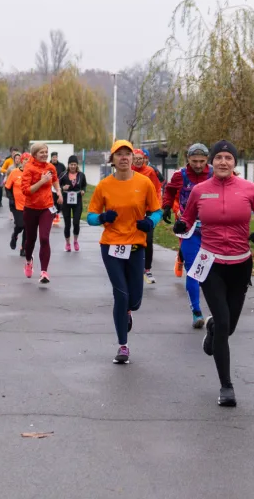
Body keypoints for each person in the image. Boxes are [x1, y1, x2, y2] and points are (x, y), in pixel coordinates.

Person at [174, 140, 254, 407]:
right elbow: (188, 218)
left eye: (228, 158)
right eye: (219, 158)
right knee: (225, 320)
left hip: (241, 264)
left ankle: (214, 329)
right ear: (211, 162)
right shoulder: (200, 190)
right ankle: (226, 386)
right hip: (211, 263)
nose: (223, 162)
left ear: (234, 162)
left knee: (228, 327)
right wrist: (180, 225)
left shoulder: (248, 189)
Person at [87, 139, 162, 364]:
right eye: (118, 154)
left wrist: (151, 222)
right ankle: (123, 346)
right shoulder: (104, 186)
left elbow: (156, 211)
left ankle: (128, 311)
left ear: (133, 158)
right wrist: (101, 218)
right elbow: (90, 216)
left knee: (135, 300)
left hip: (136, 246)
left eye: (127, 154)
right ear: (112, 160)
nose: (123, 158)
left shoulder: (144, 182)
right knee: (120, 294)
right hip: (111, 245)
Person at [162, 143, 213, 328]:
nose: (198, 165)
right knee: (194, 271)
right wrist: (167, 206)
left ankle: (217, 310)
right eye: (194, 161)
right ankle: (196, 312)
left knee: (212, 272)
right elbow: (168, 190)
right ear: (188, 159)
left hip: (212, 229)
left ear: (207, 160)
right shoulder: (180, 175)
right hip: (189, 229)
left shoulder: (215, 174)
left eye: (202, 161)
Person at [21, 143, 63, 284]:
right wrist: (42, 181)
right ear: (34, 155)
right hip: (31, 208)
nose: (45, 155)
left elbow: (55, 179)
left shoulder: (50, 167)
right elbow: (26, 190)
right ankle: (28, 260)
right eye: (41, 152)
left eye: (46, 152)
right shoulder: (29, 168)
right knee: (30, 240)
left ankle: (44, 272)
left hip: (47, 207)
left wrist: (58, 191)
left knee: (44, 238)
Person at [132, 149, 162, 283]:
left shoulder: (150, 171)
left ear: (144, 159)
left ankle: (147, 269)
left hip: (148, 210)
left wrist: (157, 207)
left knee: (148, 240)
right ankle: (132, 267)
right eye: (136, 158)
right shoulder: (127, 171)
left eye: (140, 158)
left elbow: (157, 190)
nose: (138, 161)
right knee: (132, 238)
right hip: (133, 210)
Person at [61, 155, 88, 252]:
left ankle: (75, 241)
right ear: (68, 165)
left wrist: (83, 191)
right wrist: (62, 188)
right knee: (67, 224)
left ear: (77, 165)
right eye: (71, 164)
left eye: (74, 164)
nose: (73, 166)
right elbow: (56, 186)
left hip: (77, 201)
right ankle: (67, 243)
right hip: (66, 201)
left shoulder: (81, 175)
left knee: (76, 222)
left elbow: (84, 185)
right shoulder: (63, 175)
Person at [5, 153, 28, 256]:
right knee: (20, 225)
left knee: (27, 228)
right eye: (25, 160)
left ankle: (23, 248)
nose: (27, 162)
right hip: (16, 204)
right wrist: (11, 198)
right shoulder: (14, 172)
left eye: (29, 160)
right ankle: (15, 235)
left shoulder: (33, 174)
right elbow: (7, 187)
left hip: (29, 205)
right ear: (21, 161)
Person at [50, 152, 67, 225]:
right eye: (53, 157)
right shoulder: (48, 165)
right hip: (50, 186)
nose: (54, 158)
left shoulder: (61, 166)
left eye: (55, 157)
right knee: (52, 201)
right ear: (51, 158)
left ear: (57, 157)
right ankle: (53, 215)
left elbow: (65, 175)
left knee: (59, 201)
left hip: (59, 186)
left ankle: (58, 213)